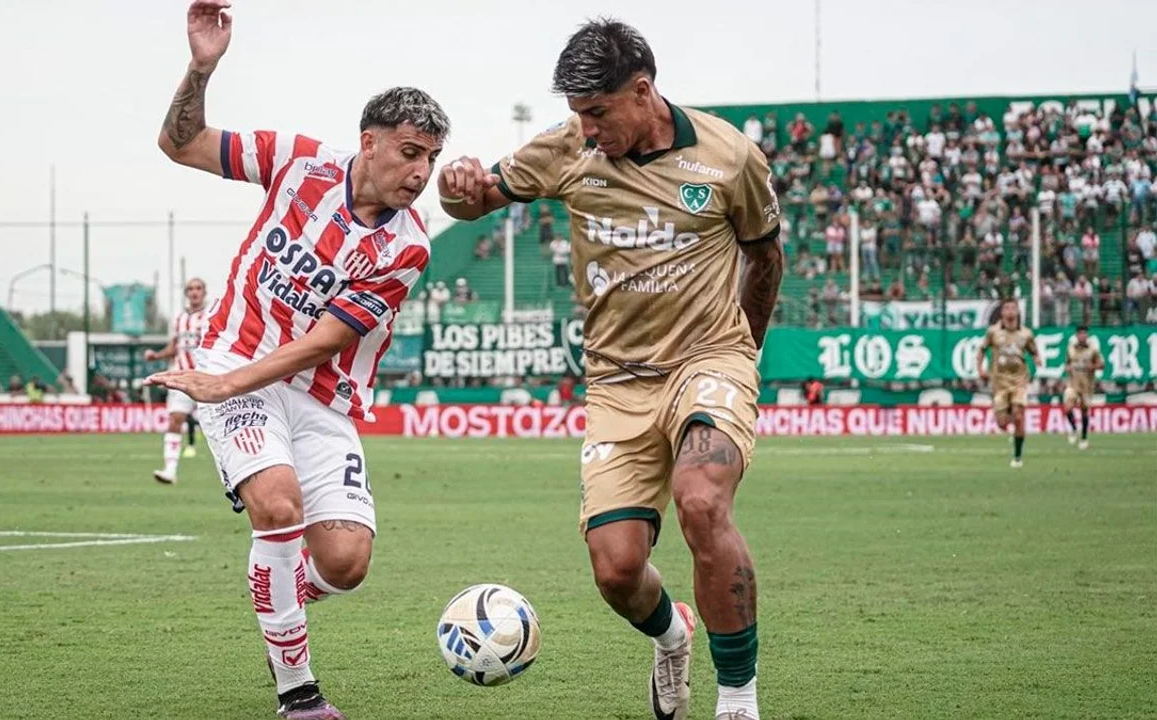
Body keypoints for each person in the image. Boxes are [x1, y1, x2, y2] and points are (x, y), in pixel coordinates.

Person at [436, 19, 782, 720]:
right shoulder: (566, 148)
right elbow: (470, 204)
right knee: (617, 571)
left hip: (708, 360)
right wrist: (455, 185)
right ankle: (673, 634)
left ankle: (738, 700)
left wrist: (743, 352)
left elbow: (764, 255)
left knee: (701, 501)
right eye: (578, 114)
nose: (588, 128)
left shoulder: (728, 155)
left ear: (642, 91)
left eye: (597, 112)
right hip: (617, 384)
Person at [145, 3, 448, 718]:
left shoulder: (408, 247)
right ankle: (299, 694)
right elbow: (180, 144)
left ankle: (277, 594)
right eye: (410, 152)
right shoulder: (297, 160)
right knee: (278, 507)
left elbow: (325, 343)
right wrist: (201, 68)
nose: (421, 172)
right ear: (368, 142)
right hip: (238, 357)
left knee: (345, 564)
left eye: (431, 159)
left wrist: (225, 383)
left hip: (317, 395)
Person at [144, 278, 210, 484]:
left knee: (217, 425)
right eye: (190, 289)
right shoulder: (179, 318)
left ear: (204, 292)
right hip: (181, 377)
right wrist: (156, 356)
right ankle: (170, 470)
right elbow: (174, 347)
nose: (194, 292)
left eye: (198, 288)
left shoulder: (211, 315)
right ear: (186, 293)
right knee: (175, 419)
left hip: (206, 377)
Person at [977, 299, 1042, 468]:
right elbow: (982, 350)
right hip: (999, 383)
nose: (1010, 311)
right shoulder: (993, 332)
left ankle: (1017, 457)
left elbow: (1034, 351)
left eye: (1013, 308)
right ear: (1002, 312)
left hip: (1019, 381)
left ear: (1018, 311)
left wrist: (1037, 359)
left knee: (1019, 416)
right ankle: (1013, 427)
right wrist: (980, 369)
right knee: (1002, 423)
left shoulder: (1026, 334)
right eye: (1007, 308)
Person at [1061, 325, 1103, 450]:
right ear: (1077, 335)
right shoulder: (1070, 349)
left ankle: (1084, 437)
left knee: (1084, 410)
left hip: (1087, 386)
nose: (1083, 336)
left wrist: (1093, 367)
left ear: (1087, 335)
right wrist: (1067, 368)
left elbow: (1101, 364)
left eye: (1085, 333)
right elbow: (1067, 363)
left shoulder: (1093, 350)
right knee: (1067, 408)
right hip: (1073, 384)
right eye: (1080, 333)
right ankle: (1074, 429)